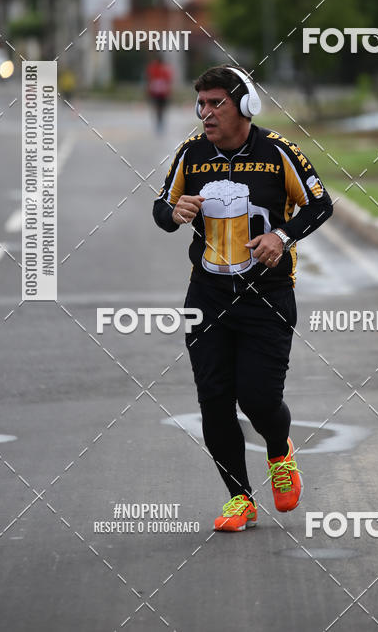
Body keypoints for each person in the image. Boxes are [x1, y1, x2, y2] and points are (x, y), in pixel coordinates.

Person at [153, 65, 333, 532]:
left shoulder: (278, 152)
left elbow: (320, 204)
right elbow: (160, 209)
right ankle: (240, 499)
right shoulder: (192, 154)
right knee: (213, 399)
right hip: (206, 296)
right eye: (202, 104)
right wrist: (175, 212)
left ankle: (279, 449)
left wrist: (283, 235)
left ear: (245, 105)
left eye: (218, 104)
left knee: (257, 398)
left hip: (267, 298)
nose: (207, 113)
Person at [145, 56, 173, 133]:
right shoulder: (161, 69)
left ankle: (159, 122)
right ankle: (160, 122)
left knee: (159, 108)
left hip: (159, 92)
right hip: (159, 92)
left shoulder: (154, 68)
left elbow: (149, 79)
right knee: (160, 108)